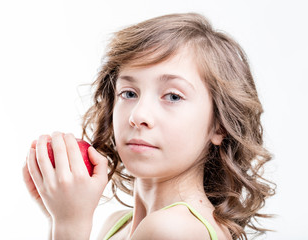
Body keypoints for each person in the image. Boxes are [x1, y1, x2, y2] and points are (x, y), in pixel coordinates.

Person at [22, 12, 275, 240]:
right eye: (129, 93)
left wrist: (70, 225)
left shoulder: (174, 230)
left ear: (219, 126)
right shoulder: (118, 224)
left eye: (173, 96)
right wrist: (58, 217)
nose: (138, 115)